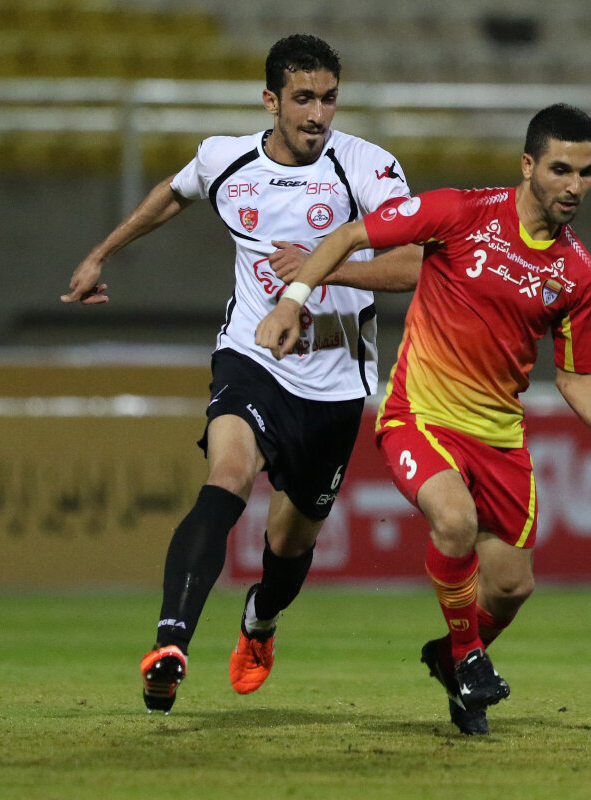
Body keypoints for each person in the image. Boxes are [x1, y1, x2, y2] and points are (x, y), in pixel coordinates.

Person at [253, 103, 591, 735]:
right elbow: (349, 235)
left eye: (586, 173)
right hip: (420, 416)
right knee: (454, 520)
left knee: (513, 587)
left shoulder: (578, 273)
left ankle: (450, 658)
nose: (574, 186)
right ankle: (470, 658)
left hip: (499, 437)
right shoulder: (460, 212)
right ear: (527, 165)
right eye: (560, 169)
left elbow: (574, 376)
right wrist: (292, 301)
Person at [61, 34, 422, 714]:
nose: (318, 115)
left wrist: (321, 267)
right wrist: (102, 252)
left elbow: (412, 265)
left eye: (329, 99)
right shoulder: (224, 158)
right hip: (252, 357)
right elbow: (173, 194)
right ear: (270, 101)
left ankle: (260, 620)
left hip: (335, 382)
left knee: (288, 542)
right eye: (303, 99)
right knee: (227, 475)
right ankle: (170, 645)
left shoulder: (367, 168)